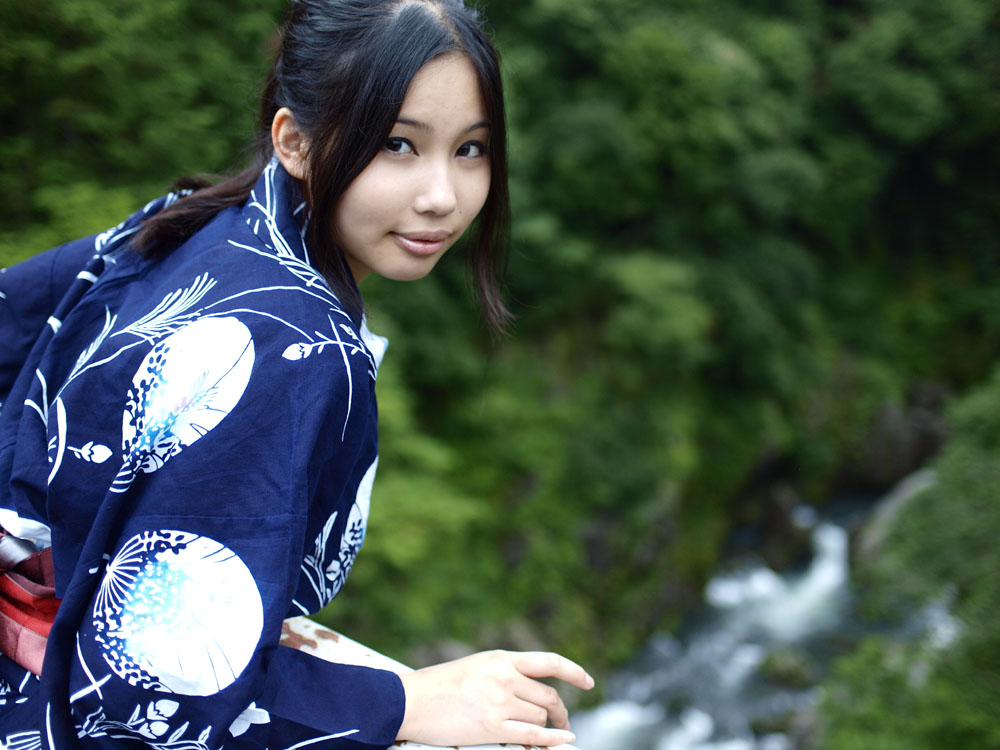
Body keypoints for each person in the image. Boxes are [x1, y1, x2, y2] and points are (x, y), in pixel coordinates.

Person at [0, 1, 593, 749]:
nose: (442, 195)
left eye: (471, 149)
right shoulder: (297, 344)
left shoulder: (192, 221)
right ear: (295, 141)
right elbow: (156, 680)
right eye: (398, 145)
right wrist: (400, 702)